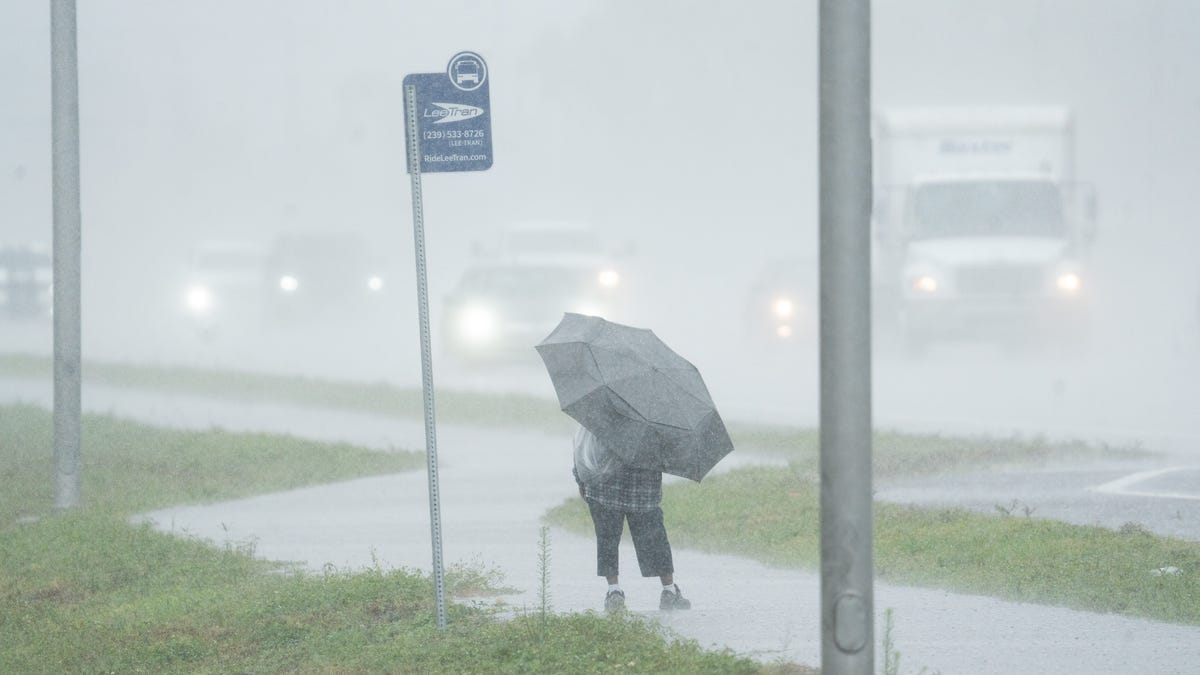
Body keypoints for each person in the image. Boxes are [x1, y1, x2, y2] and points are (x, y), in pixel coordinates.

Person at [572, 426, 691, 612]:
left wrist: (580, 478)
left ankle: (614, 591)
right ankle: (669, 591)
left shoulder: (602, 410)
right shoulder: (655, 416)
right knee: (655, 540)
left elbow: (583, 447)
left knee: (607, 541)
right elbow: (669, 455)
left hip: (605, 489)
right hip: (643, 491)